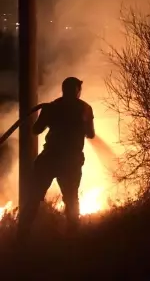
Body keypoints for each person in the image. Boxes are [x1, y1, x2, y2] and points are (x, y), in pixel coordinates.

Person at [17, 77, 95, 241]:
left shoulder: (52, 107)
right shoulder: (85, 108)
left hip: (50, 159)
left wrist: (48, 115)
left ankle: (21, 234)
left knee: (34, 196)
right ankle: (73, 235)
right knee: (71, 198)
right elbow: (91, 134)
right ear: (77, 91)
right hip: (70, 162)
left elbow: (36, 130)